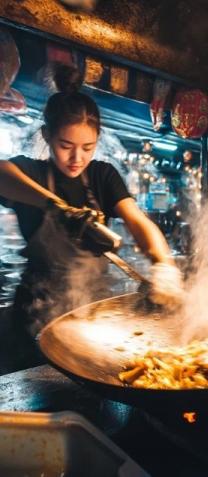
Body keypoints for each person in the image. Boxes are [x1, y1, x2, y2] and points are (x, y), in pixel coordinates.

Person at [0, 65, 183, 361]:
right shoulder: (32, 172)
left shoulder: (102, 176)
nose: (77, 158)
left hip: (94, 310)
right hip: (38, 311)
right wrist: (56, 207)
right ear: (47, 136)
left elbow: (137, 221)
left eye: (88, 147)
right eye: (66, 146)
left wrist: (164, 264)